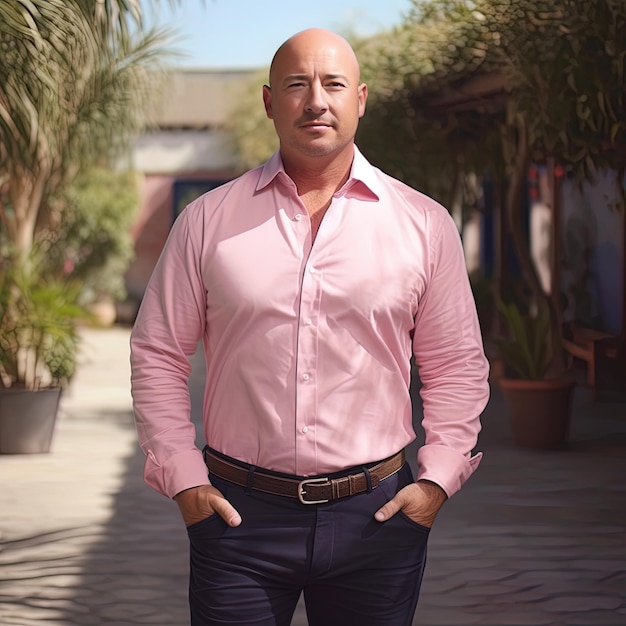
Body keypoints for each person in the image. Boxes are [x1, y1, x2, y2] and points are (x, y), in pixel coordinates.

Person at [130, 28, 490, 626]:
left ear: (361, 99)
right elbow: (158, 353)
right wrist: (182, 477)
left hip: (378, 518)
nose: (315, 100)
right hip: (236, 517)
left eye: (333, 84)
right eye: (297, 84)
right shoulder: (206, 221)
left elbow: (456, 363)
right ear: (271, 102)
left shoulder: (424, 224)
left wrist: (437, 481)